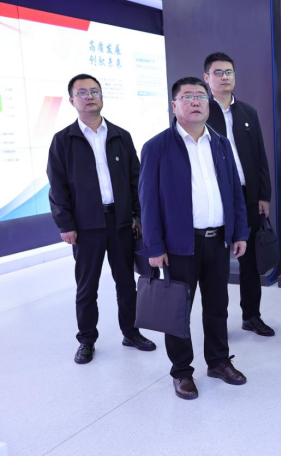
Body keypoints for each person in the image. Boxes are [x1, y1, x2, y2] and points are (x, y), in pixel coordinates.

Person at [138, 77, 250, 400]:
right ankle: (182, 372)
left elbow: (234, 192)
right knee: (178, 311)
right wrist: (154, 247)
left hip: (218, 241)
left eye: (201, 96)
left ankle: (218, 361)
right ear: (175, 105)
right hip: (178, 246)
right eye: (187, 97)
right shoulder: (157, 147)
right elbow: (148, 202)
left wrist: (239, 232)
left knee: (217, 306)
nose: (196, 101)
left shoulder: (220, 143)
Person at [46, 73, 156, 365]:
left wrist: (137, 215)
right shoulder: (63, 140)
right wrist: (65, 224)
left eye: (95, 91)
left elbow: (136, 180)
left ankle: (131, 332)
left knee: (126, 283)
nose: (90, 96)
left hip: (121, 223)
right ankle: (86, 340)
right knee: (87, 287)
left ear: (102, 96)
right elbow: (57, 187)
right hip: (85, 227)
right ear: (72, 100)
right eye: (82, 92)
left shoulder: (120, 135)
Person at [203, 52, 275, 337]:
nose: (224, 77)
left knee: (250, 261)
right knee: (217, 264)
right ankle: (217, 321)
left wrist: (263, 195)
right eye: (218, 72)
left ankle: (251, 315)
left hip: (248, 196)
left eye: (229, 72)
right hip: (217, 198)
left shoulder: (248, 112)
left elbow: (260, 156)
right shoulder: (201, 112)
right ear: (207, 77)